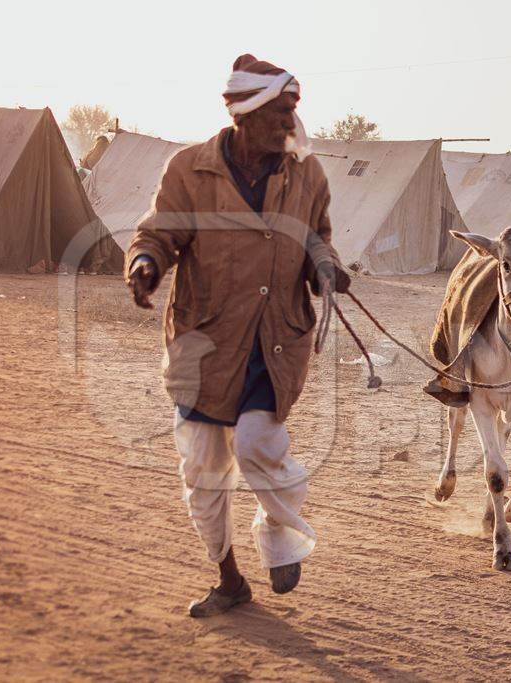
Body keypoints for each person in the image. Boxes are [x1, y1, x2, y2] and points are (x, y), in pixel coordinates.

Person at [126, 54, 349, 618]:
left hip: (274, 340)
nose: (289, 123)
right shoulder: (189, 170)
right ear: (245, 114)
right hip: (204, 343)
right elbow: (159, 231)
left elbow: (316, 237)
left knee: (257, 445)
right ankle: (229, 578)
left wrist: (325, 267)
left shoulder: (307, 174)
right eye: (280, 112)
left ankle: (280, 537)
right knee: (203, 474)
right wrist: (147, 263)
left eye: (292, 111)